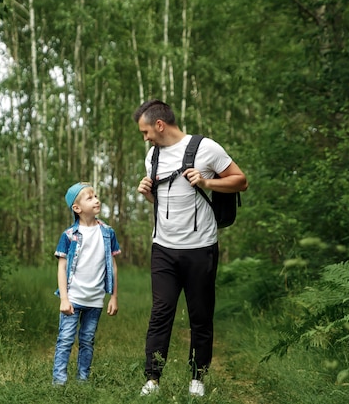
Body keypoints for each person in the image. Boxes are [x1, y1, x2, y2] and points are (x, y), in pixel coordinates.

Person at [133, 100, 248, 397]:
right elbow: (162, 204)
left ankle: (198, 378)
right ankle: (152, 380)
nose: (144, 138)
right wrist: (148, 194)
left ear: (160, 125)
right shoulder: (152, 156)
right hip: (163, 248)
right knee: (160, 313)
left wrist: (208, 182)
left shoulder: (206, 148)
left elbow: (241, 181)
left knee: (200, 315)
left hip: (201, 249)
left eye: (146, 131)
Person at [52, 182, 121, 385]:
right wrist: (64, 298)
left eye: (96, 196)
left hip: (95, 299)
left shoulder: (108, 232)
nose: (96, 200)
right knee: (65, 340)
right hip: (73, 298)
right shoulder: (69, 235)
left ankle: (83, 380)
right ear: (77, 208)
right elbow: (62, 268)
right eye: (90, 198)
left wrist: (114, 297)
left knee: (87, 341)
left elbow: (113, 267)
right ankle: (59, 382)